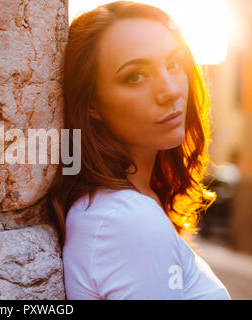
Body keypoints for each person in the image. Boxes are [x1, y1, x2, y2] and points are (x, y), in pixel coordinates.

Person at [47, 1, 231, 299]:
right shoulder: (126, 219)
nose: (171, 90)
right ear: (92, 103)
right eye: (135, 76)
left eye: (174, 64)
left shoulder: (122, 205)